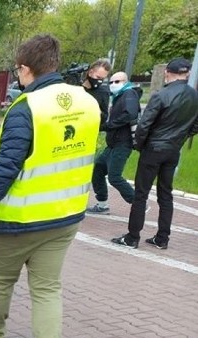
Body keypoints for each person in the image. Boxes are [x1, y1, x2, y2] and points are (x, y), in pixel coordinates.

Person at [0, 34, 100, 338]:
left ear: (25, 69)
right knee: (48, 289)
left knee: (0, 280)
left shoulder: (27, 107)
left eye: (17, 69)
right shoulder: (87, 102)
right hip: (65, 216)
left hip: (18, 219)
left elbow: (7, 167)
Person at [112, 57, 198, 249]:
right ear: (187, 74)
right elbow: (195, 125)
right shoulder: (194, 95)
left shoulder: (161, 95)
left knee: (141, 194)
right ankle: (162, 238)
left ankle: (133, 237)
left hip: (154, 148)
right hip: (173, 149)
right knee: (165, 194)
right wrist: (181, 137)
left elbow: (144, 125)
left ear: (168, 72)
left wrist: (140, 145)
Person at [87, 71, 142, 213]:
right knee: (98, 170)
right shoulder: (119, 96)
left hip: (122, 144)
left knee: (114, 177)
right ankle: (102, 204)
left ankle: (138, 203)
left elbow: (130, 114)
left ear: (125, 81)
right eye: (110, 82)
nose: (113, 85)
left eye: (117, 82)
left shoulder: (129, 94)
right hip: (112, 144)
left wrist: (110, 125)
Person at [83, 58, 112, 127]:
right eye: (98, 77)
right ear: (90, 73)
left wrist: (99, 113)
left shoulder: (103, 92)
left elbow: (104, 118)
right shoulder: (76, 88)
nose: (99, 81)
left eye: (102, 79)